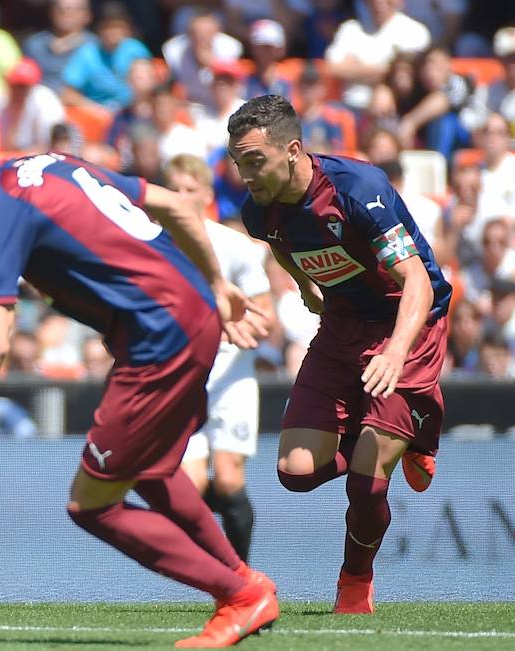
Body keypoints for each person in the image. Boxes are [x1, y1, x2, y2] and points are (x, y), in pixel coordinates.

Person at [0, 91, 278, 648]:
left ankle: (240, 594)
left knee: (91, 504)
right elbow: (177, 205)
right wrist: (214, 282)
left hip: (156, 338)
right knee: (155, 471)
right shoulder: (55, 163)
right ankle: (243, 580)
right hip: (190, 317)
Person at [229, 95, 451, 614]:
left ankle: (355, 582)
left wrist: (396, 352)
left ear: (293, 151)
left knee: (367, 487)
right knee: (296, 471)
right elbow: (279, 242)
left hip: (406, 323)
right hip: (342, 325)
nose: (245, 174)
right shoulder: (258, 209)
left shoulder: (358, 190)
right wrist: (306, 285)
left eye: (254, 160)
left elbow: (416, 279)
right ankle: (405, 433)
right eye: (238, 163)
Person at [166, 154, 275, 564]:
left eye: (189, 190)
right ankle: (218, 569)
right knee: (190, 487)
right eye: (173, 189)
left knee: (229, 479)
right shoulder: (153, 246)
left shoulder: (233, 246)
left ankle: (240, 576)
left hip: (230, 376)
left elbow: (263, 314)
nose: (180, 198)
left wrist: (239, 326)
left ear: (207, 196)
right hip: (179, 378)